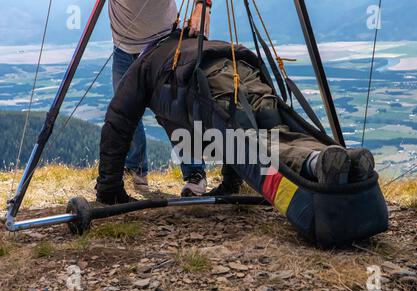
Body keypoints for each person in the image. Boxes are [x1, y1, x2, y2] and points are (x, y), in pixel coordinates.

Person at [95, 32, 375, 205]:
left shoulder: (142, 66)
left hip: (207, 82)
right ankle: (344, 160)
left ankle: (315, 164)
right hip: (243, 69)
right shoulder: (194, 38)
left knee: (247, 141)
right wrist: (230, 183)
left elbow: (118, 123)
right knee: (277, 128)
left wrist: (109, 188)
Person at [108, 0, 211, 196]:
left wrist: (202, 6)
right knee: (126, 112)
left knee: (174, 108)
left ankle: (195, 172)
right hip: (123, 48)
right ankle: (134, 170)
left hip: (162, 43)